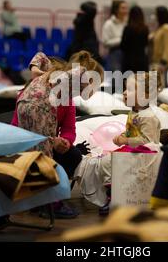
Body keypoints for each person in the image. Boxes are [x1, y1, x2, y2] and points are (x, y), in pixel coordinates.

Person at [13, 51, 104, 218]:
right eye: (95, 85)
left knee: (52, 154)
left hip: (31, 108)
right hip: (38, 110)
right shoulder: (69, 76)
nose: (95, 91)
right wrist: (36, 71)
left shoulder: (61, 87)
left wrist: (65, 142)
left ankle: (41, 200)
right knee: (44, 157)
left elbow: (69, 130)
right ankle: (49, 203)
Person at [99, 71, 162, 215]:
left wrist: (126, 140)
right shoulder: (133, 114)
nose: (125, 93)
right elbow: (131, 133)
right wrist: (122, 136)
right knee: (106, 160)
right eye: (125, 89)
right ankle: (113, 194)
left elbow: (148, 142)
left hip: (145, 157)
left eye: (131, 89)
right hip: (132, 152)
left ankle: (115, 196)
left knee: (110, 162)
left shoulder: (148, 117)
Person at [149, 6, 168, 88]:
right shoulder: (159, 28)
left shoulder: (167, 28)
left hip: (162, 62)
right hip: (156, 62)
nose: (154, 16)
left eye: (156, 14)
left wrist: (163, 63)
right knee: (155, 86)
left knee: (161, 86)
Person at [121, 6, 149, 73]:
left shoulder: (127, 28)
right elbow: (146, 43)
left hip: (129, 61)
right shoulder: (145, 29)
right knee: (142, 82)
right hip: (142, 60)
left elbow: (123, 45)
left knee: (129, 82)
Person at [102, 0, 129, 72]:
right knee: (116, 80)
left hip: (127, 55)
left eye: (126, 8)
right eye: (123, 8)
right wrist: (122, 40)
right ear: (116, 10)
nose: (126, 11)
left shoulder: (127, 23)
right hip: (114, 55)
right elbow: (105, 42)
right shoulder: (109, 24)